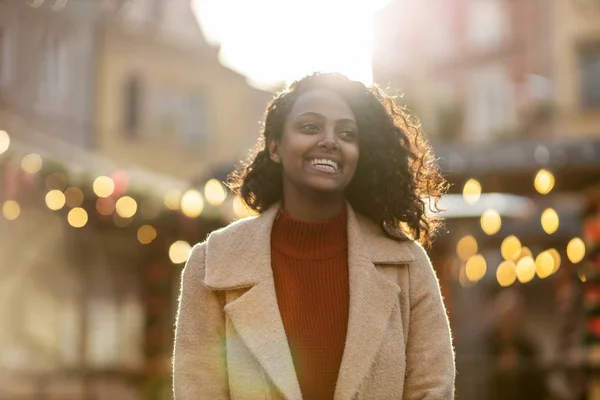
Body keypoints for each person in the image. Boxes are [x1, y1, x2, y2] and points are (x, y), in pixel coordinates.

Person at [173, 72, 455, 400]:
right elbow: (198, 391)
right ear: (275, 147)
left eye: (347, 133)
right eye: (310, 127)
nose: (330, 141)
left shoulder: (406, 263)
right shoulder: (212, 264)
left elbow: (432, 390)